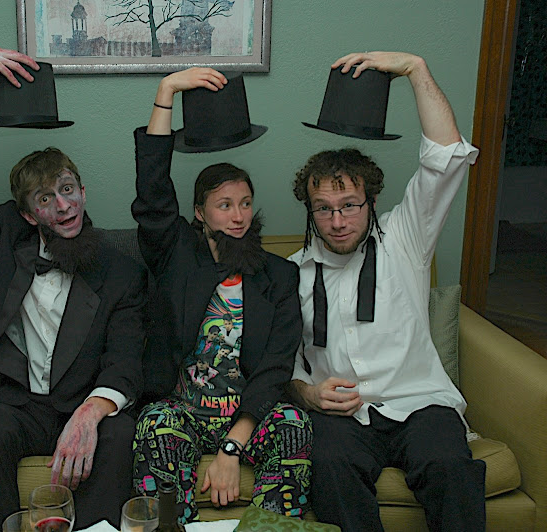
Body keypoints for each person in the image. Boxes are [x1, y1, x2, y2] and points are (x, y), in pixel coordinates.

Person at [0, 48, 147, 531]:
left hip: (83, 397)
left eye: (68, 190)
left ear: (83, 191)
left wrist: (91, 412)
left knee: (120, 433)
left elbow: (126, 358)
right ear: (27, 214)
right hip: (16, 403)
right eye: (46, 198)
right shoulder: (0, 241)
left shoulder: (121, 271)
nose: (63, 206)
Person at [288, 51, 485, 531]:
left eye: (350, 205)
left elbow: (445, 157)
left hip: (419, 404)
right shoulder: (290, 274)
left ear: (372, 201)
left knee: (450, 466)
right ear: (309, 211)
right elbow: (282, 364)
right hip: (342, 418)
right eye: (323, 208)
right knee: (329, 469)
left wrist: (416, 68)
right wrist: (309, 395)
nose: (338, 221)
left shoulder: (405, 238)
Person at [131, 67, 313, 524]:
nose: (238, 216)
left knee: (295, 424)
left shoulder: (279, 276)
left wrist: (233, 446)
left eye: (245, 203)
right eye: (225, 205)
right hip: (184, 411)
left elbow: (276, 366)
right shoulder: (176, 255)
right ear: (199, 212)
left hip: (249, 415)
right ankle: (172, 527)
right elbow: (152, 191)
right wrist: (167, 91)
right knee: (155, 422)